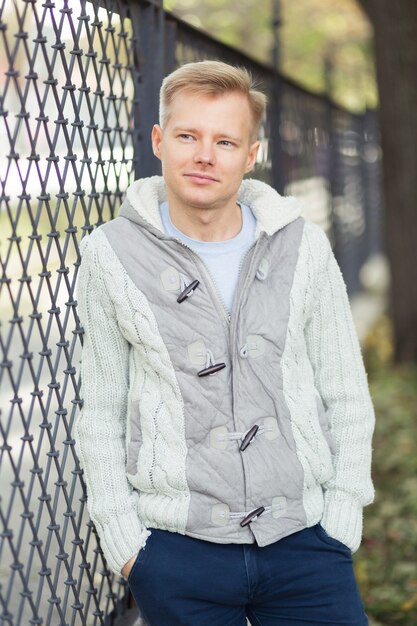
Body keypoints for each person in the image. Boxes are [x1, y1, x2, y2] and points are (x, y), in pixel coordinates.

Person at [74, 60, 375, 625]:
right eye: (188, 136)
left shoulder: (302, 247)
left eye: (225, 141)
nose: (204, 155)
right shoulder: (109, 255)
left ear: (251, 154)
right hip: (176, 549)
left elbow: (346, 393)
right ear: (160, 141)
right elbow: (102, 409)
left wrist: (342, 517)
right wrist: (127, 546)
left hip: (306, 541)